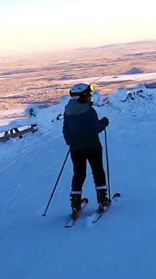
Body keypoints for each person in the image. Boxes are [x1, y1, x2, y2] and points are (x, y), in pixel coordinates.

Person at [62, 83, 110, 218]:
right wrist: (104, 122)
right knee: (98, 172)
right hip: (93, 146)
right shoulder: (89, 112)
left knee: (79, 174)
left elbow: (66, 130)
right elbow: (96, 128)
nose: (90, 97)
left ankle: (75, 205)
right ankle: (102, 200)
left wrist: (70, 142)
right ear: (83, 96)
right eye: (88, 94)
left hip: (76, 149)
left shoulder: (68, 111)